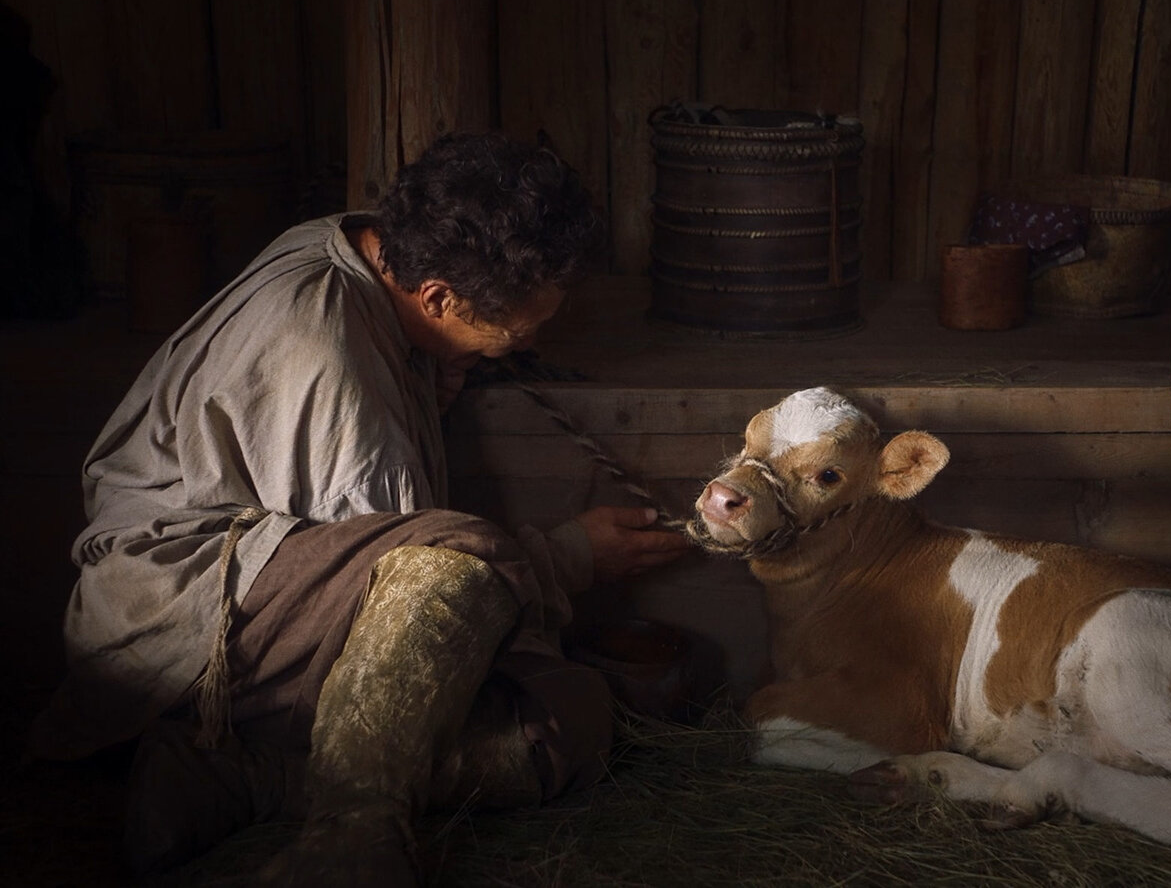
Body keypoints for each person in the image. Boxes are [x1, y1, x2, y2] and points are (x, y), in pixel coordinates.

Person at [28, 132, 690, 883]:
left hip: (275, 591)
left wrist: (434, 373)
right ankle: (353, 844)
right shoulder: (322, 349)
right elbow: (411, 577)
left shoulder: (369, 249)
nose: (525, 344)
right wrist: (567, 557)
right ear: (438, 297)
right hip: (185, 614)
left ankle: (231, 780)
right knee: (480, 594)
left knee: (574, 721)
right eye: (519, 331)